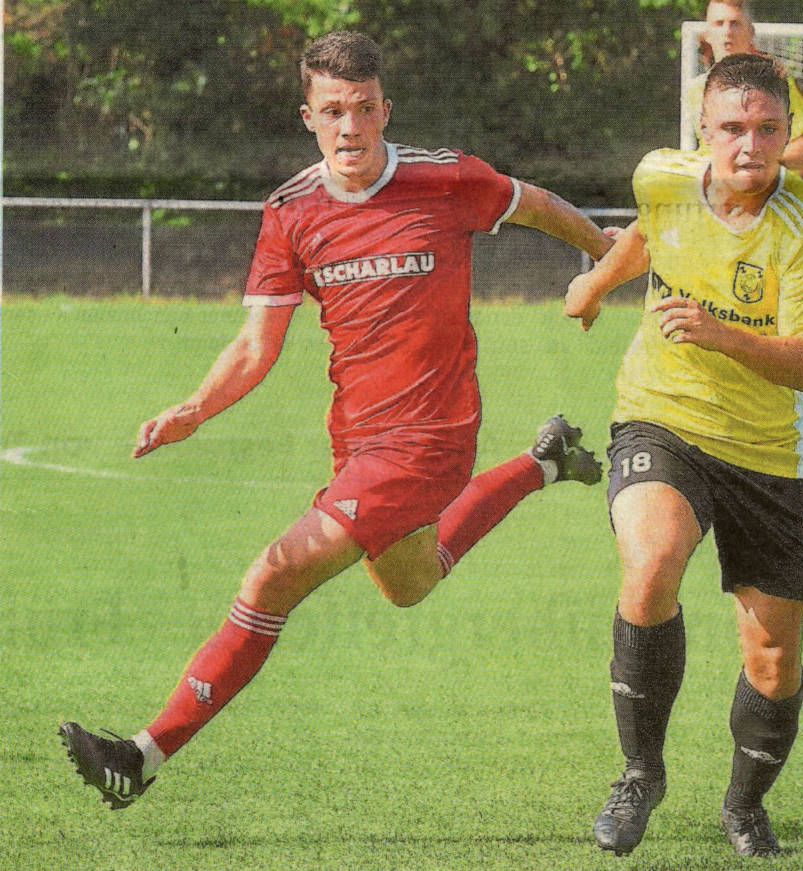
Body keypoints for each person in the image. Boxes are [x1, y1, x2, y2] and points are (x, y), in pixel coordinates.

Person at [60, 30, 612, 810]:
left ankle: (142, 755)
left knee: (273, 573)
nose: (349, 127)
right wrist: (195, 407)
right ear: (307, 117)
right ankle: (545, 460)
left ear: (385, 109)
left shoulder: (446, 178)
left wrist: (602, 253)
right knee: (410, 581)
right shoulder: (290, 212)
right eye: (332, 112)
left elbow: (534, 203)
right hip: (357, 435)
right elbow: (257, 344)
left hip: (432, 434)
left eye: (362, 109)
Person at [564, 53, 803, 857]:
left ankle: (745, 804)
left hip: (766, 450)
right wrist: (596, 283)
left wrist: (721, 333)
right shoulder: (662, 176)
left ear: (789, 134)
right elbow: (652, 232)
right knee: (650, 563)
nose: (749, 144)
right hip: (662, 415)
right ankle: (640, 772)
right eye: (731, 128)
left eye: (766, 129)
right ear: (702, 130)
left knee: (773, 653)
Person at [688, 0, 803, 505]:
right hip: (715, 237)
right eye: (719, 22)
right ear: (703, 31)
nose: (727, 31)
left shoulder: (771, 84)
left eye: (736, 23)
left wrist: (752, 165)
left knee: (782, 341)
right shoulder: (696, 90)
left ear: (751, 31)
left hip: (769, 239)